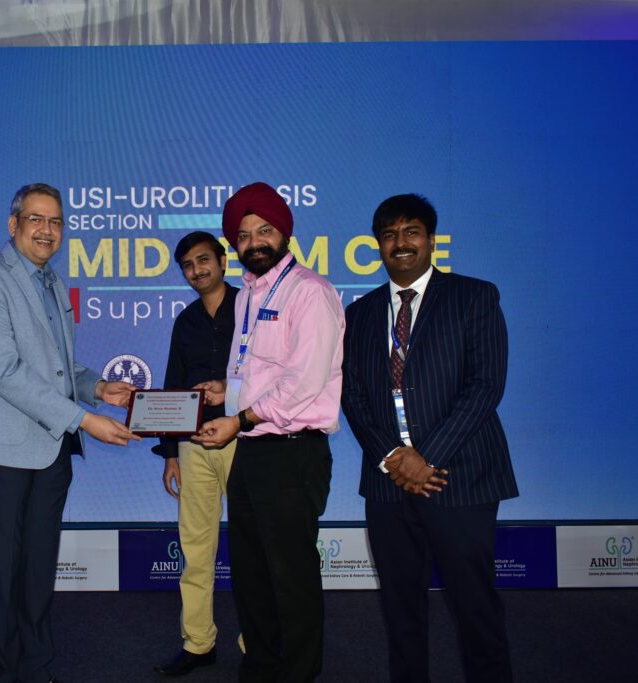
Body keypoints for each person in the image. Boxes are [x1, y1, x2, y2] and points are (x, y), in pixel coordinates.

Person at [0, 182, 139, 683]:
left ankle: (34, 668)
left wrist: (97, 387)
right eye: (35, 219)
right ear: (13, 224)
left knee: (37, 571)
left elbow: (57, 367)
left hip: (50, 450)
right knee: (1, 575)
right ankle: (1, 674)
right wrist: (84, 419)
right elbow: (6, 371)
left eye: (55, 221)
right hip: (0, 452)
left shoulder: (53, 282)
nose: (47, 230)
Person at [341, 193, 518, 683]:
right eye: (389, 235)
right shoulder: (359, 314)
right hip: (388, 483)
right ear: (378, 245)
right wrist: (393, 456)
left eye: (411, 232)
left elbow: (486, 385)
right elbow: (352, 395)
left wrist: (427, 458)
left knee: (475, 608)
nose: (400, 243)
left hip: (459, 478)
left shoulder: (474, 296)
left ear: (431, 239)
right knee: (400, 611)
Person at [192, 182, 344, 682]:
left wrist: (239, 419)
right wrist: (227, 392)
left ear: (284, 233)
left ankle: (298, 675)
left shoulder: (310, 292)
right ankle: (259, 669)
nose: (254, 242)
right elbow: (255, 371)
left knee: (291, 580)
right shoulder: (248, 297)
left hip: (293, 454)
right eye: (243, 235)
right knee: (252, 575)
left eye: (264, 230)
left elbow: (302, 383)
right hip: (252, 452)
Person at [152, 231, 240, 677]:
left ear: (223, 261)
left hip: (244, 440)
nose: (197, 270)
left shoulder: (252, 309)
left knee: (252, 547)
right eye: (188, 265)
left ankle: (256, 643)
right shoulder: (185, 321)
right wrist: (170, 452)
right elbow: (173, 385)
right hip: (193, 446)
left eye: (203, 260)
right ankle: (198, 642)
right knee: (195, 548)